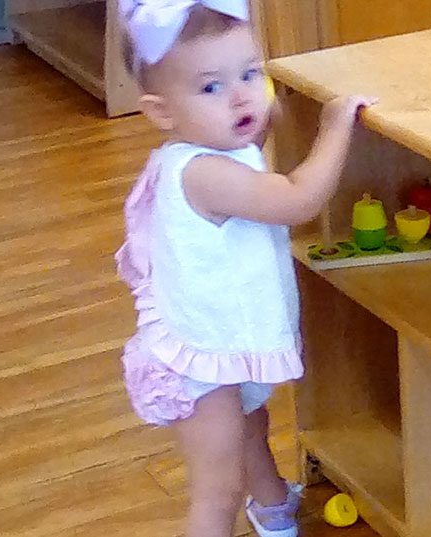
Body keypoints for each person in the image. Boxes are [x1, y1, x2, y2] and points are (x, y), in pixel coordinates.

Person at [115, 1, 376, 536]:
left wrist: (267, 108)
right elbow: (298, 200)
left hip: (222, 339)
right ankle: (252, 510)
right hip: (200, 360)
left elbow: (253, 143)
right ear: (161, 112)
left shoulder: (215, 149)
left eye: (249, 74)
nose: (239, 96)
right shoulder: (204, 172)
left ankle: (275, 508)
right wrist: (334, 125)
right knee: (216, 491)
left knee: (252, 423)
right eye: (211, 87)